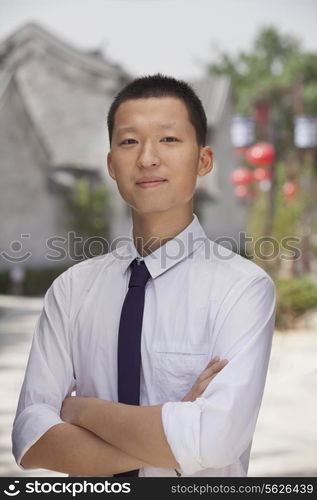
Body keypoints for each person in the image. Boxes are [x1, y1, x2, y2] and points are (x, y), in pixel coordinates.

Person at [12, 74, 276, 477]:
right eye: (129, 141)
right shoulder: (71, 290)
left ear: (203, 160)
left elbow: (215, 439)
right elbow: (31, 440)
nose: (148, 158)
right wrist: (175, 432)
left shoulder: (242, 289)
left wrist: (80, 408)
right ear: (111, 164)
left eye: (169, 140)